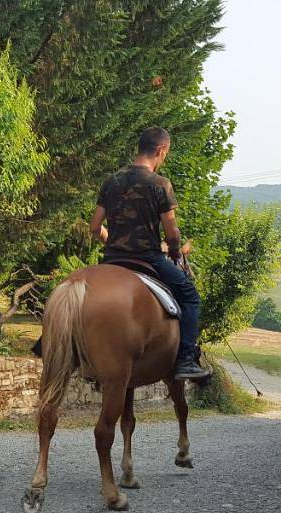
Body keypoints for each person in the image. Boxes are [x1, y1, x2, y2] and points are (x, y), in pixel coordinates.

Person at [91, 127, 210, 380]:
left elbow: (94, 227)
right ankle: (186, 360)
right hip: (148, 258)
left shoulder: (111, 181)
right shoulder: (160, 184)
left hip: (112, 259)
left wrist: (114, 242)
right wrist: (175, 252)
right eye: (166, 153)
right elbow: (172, 233)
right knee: (190, 297)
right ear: (160, 150)